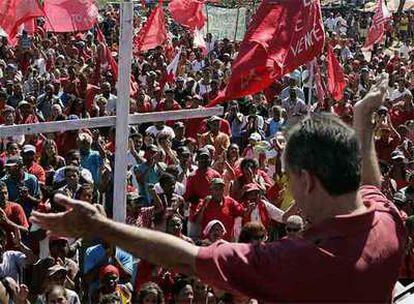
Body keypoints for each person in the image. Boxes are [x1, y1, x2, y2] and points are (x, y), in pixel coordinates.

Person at [31, 75, 407, 302]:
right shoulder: (385, 224)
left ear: (306, 180)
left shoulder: (300, 262)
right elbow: (372, 188)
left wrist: (101, 226)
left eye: (288, 176)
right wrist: (363, 119)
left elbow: (187, 258)